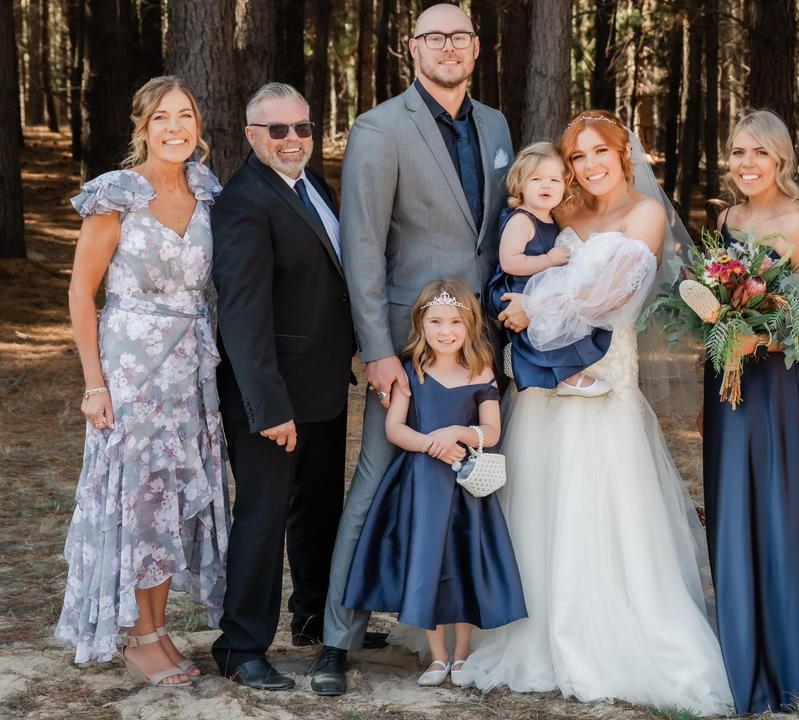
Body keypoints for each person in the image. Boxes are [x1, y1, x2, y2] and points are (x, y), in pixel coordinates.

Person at [461, 110, 734, 716]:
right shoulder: (563, 211)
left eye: (597, 152)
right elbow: (523, 259)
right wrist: (515, 308)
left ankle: (610, 638)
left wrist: (535, 311)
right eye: (576, 157)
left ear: (623, 152)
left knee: (600, 505)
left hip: (604, 379)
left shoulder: (645, 214)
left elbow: (615, 300)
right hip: (542, 388)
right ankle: (527, 629)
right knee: (538, 500)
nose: (587, 166)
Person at [317, 2, 514, 696]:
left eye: (459, 37)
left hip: (481, 342)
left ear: (476, 47)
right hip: (410, 344)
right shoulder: (379, 128)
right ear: (413, 48)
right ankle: (336, 638)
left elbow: (495, 235)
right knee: (376, 482)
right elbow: (363, 244)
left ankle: (455, 630)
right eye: (435, 37)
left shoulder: (495, 126)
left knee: (468, 485)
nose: (449, 48)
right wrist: (377, 350)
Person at [57, 75, 227, 688]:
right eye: (162, 117)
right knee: (137, 501)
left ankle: (157, 629)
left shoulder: (208, 193)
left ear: (198, 127)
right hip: (131, 372)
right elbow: (81, 292)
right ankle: (138, 637)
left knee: (173, 498)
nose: (175, 126)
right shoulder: (118, 196)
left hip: (191, 372)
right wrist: (93, 384)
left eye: (185, 115)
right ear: (143, 127)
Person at [208, 82, 353, 691]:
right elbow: (242, 317)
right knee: (263, 519)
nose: (293, 140)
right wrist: (268, 407)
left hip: (322, 384)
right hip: (271, 397)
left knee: (319, 509)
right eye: (278, 130)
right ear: (251, 137)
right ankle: (241, 646)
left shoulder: (311, 184)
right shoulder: (244, 202)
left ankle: (314, 618)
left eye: (303, 128)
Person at [703, 109, 799, 713]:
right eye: (737, 153)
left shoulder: (798, 222)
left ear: (782, 160)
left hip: (774, 390)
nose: (746, 164)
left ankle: (791, 667)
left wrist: (757, 340)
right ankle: (741, 660)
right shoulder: (727, 220)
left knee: (777, 514)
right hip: (725, 386)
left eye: (759, 153)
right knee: (731, 512)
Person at [343, 278, 526, 688]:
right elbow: (394, 429)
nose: (446, 331)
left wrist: (458, 434)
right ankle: (437, 656)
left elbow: (491, 432)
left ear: (471, 326)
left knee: (460, 562)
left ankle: (462, 654)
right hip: (422, 485)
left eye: (456, 323)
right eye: (437, 322)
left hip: (465, 488)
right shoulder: (413, 371)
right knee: (425, 562)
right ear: (421, 324)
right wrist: (431, 443)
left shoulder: (481, 370)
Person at [486, 142, 611, 396]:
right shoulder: (521, 219)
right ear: (520, 184)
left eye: (554, 180)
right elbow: (510, 262)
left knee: (568, 318)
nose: (546, 185)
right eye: (537, 179)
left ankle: (565, 371)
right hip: (513, 289)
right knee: (551, 324)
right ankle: (568, 377)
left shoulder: (549, 216)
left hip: (535, 286)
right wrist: (549, 259)